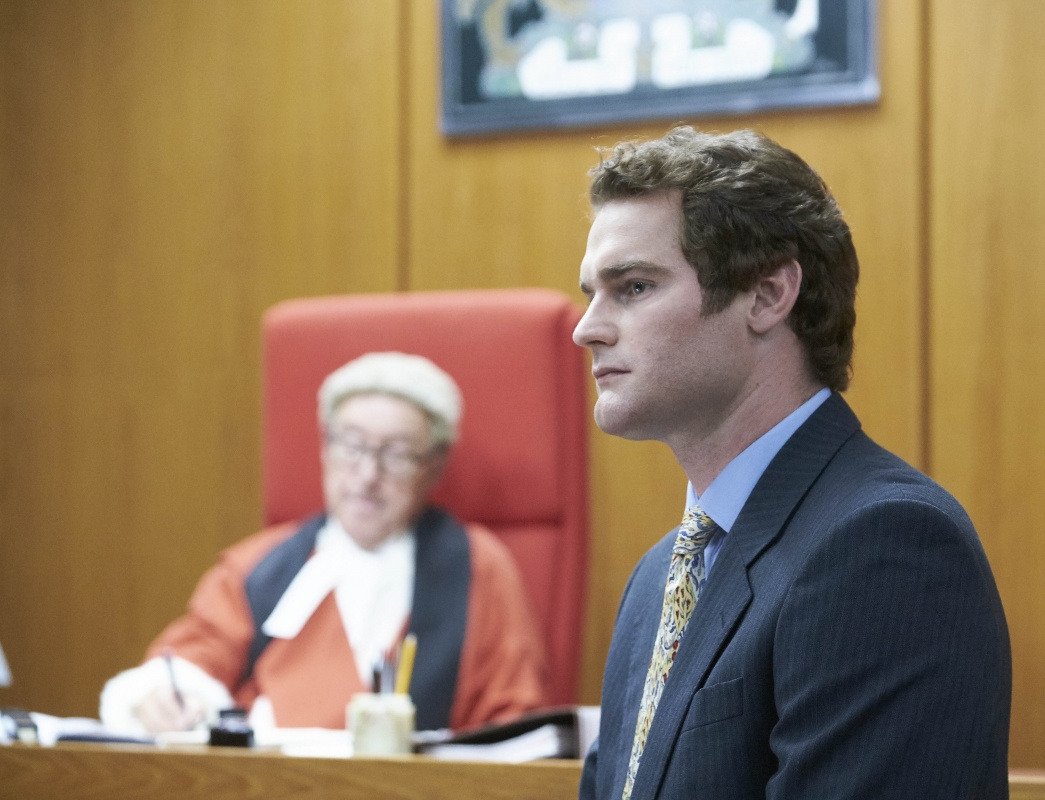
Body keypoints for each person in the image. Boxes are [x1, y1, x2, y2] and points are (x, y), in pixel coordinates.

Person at [572, 126, 1010, 799]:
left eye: (632, 287)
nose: (587, 328)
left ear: (767, 295)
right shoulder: (658, 577)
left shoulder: (885, 546)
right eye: (590, 294)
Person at [100, 352, 548, 736]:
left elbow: (511, 721)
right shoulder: (260, 565)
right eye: (351, 445)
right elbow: (191, 664)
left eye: (395, 454)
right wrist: (161, 701)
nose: (367, 476)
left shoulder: (478, 566)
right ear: (324, 448)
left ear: (433, 467)